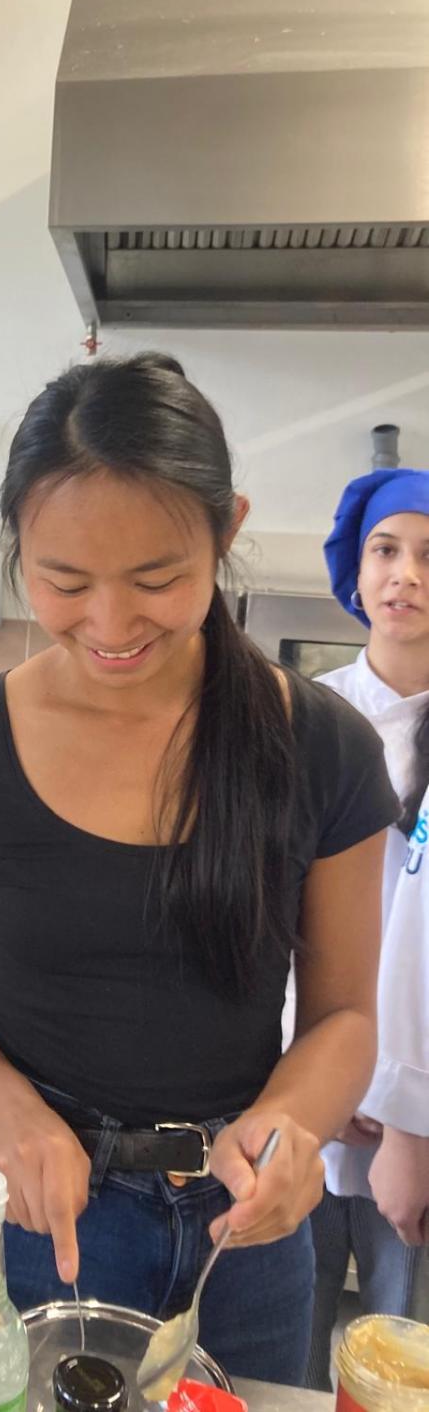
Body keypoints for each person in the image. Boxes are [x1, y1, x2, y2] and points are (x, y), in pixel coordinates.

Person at [0, 352, 398, 1386]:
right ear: (16, 545)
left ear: (226, 530)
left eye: (157, 580)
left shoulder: (324, 748)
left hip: (242, 1230)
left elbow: (344, 1014)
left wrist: (289, 1125)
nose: (111, 626)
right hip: (40, 1207)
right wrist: (9, 1110)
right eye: (64, 582)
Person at [304, 467, 429, 1385]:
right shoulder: (306, 717)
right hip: (304, 1075)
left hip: (416, 1110)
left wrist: (402, 1106)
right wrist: (318, 1064)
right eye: (385, 549)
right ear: (355, 569)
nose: (405, 574)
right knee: (286, 1327)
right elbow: (275, 909)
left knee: (396, 1349)